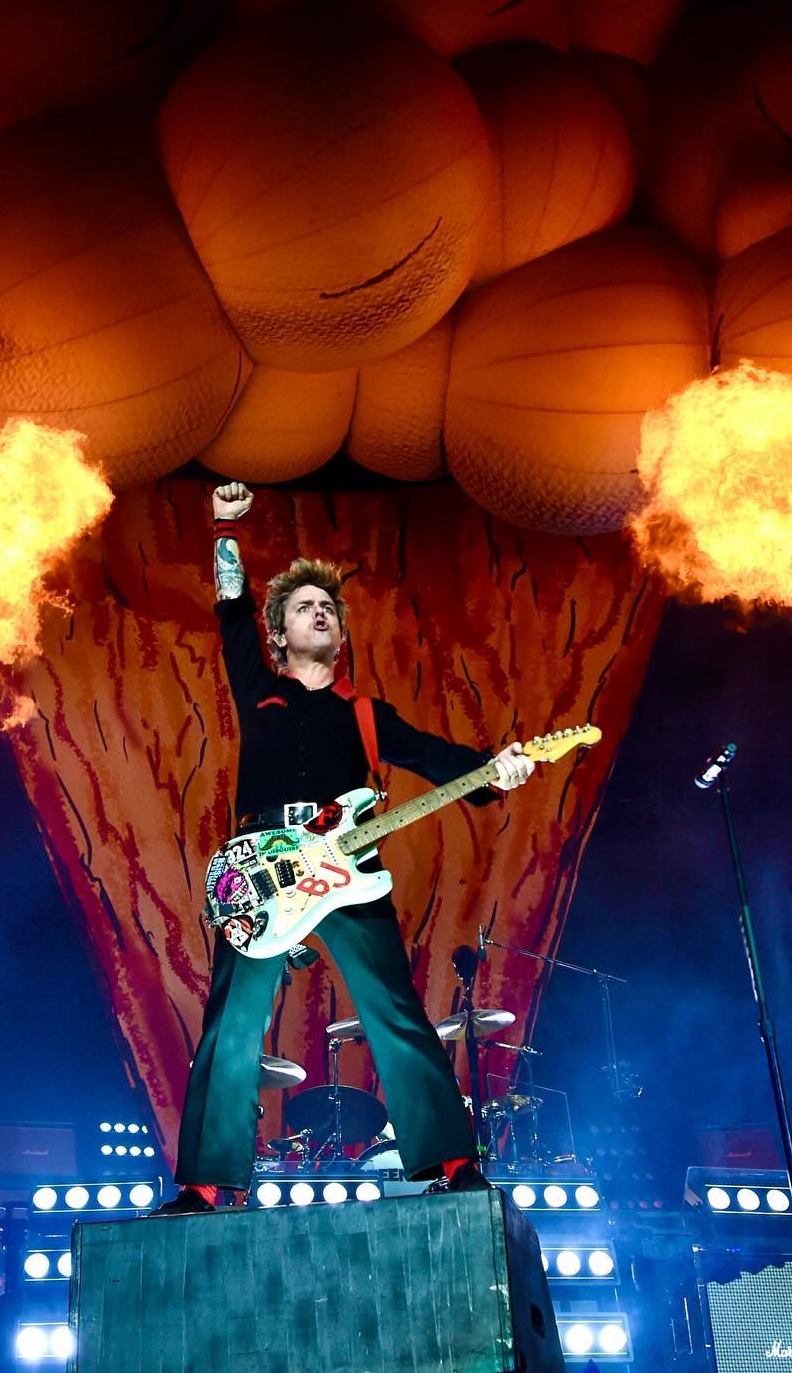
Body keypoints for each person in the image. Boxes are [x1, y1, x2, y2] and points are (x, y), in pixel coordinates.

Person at [154, 482, 535, 1214]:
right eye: (303, 607)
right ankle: (204, 1185)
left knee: (396, 1009)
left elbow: (435, 757)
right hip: (263, 875)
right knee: (230, 1023)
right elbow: (231, 608)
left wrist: (498, 771)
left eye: (326, 607)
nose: (319, 612)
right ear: (280, 632)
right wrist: (225, 527)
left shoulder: (364, 712)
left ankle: (452, 1163)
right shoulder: (258, 687)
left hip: (348, 866)